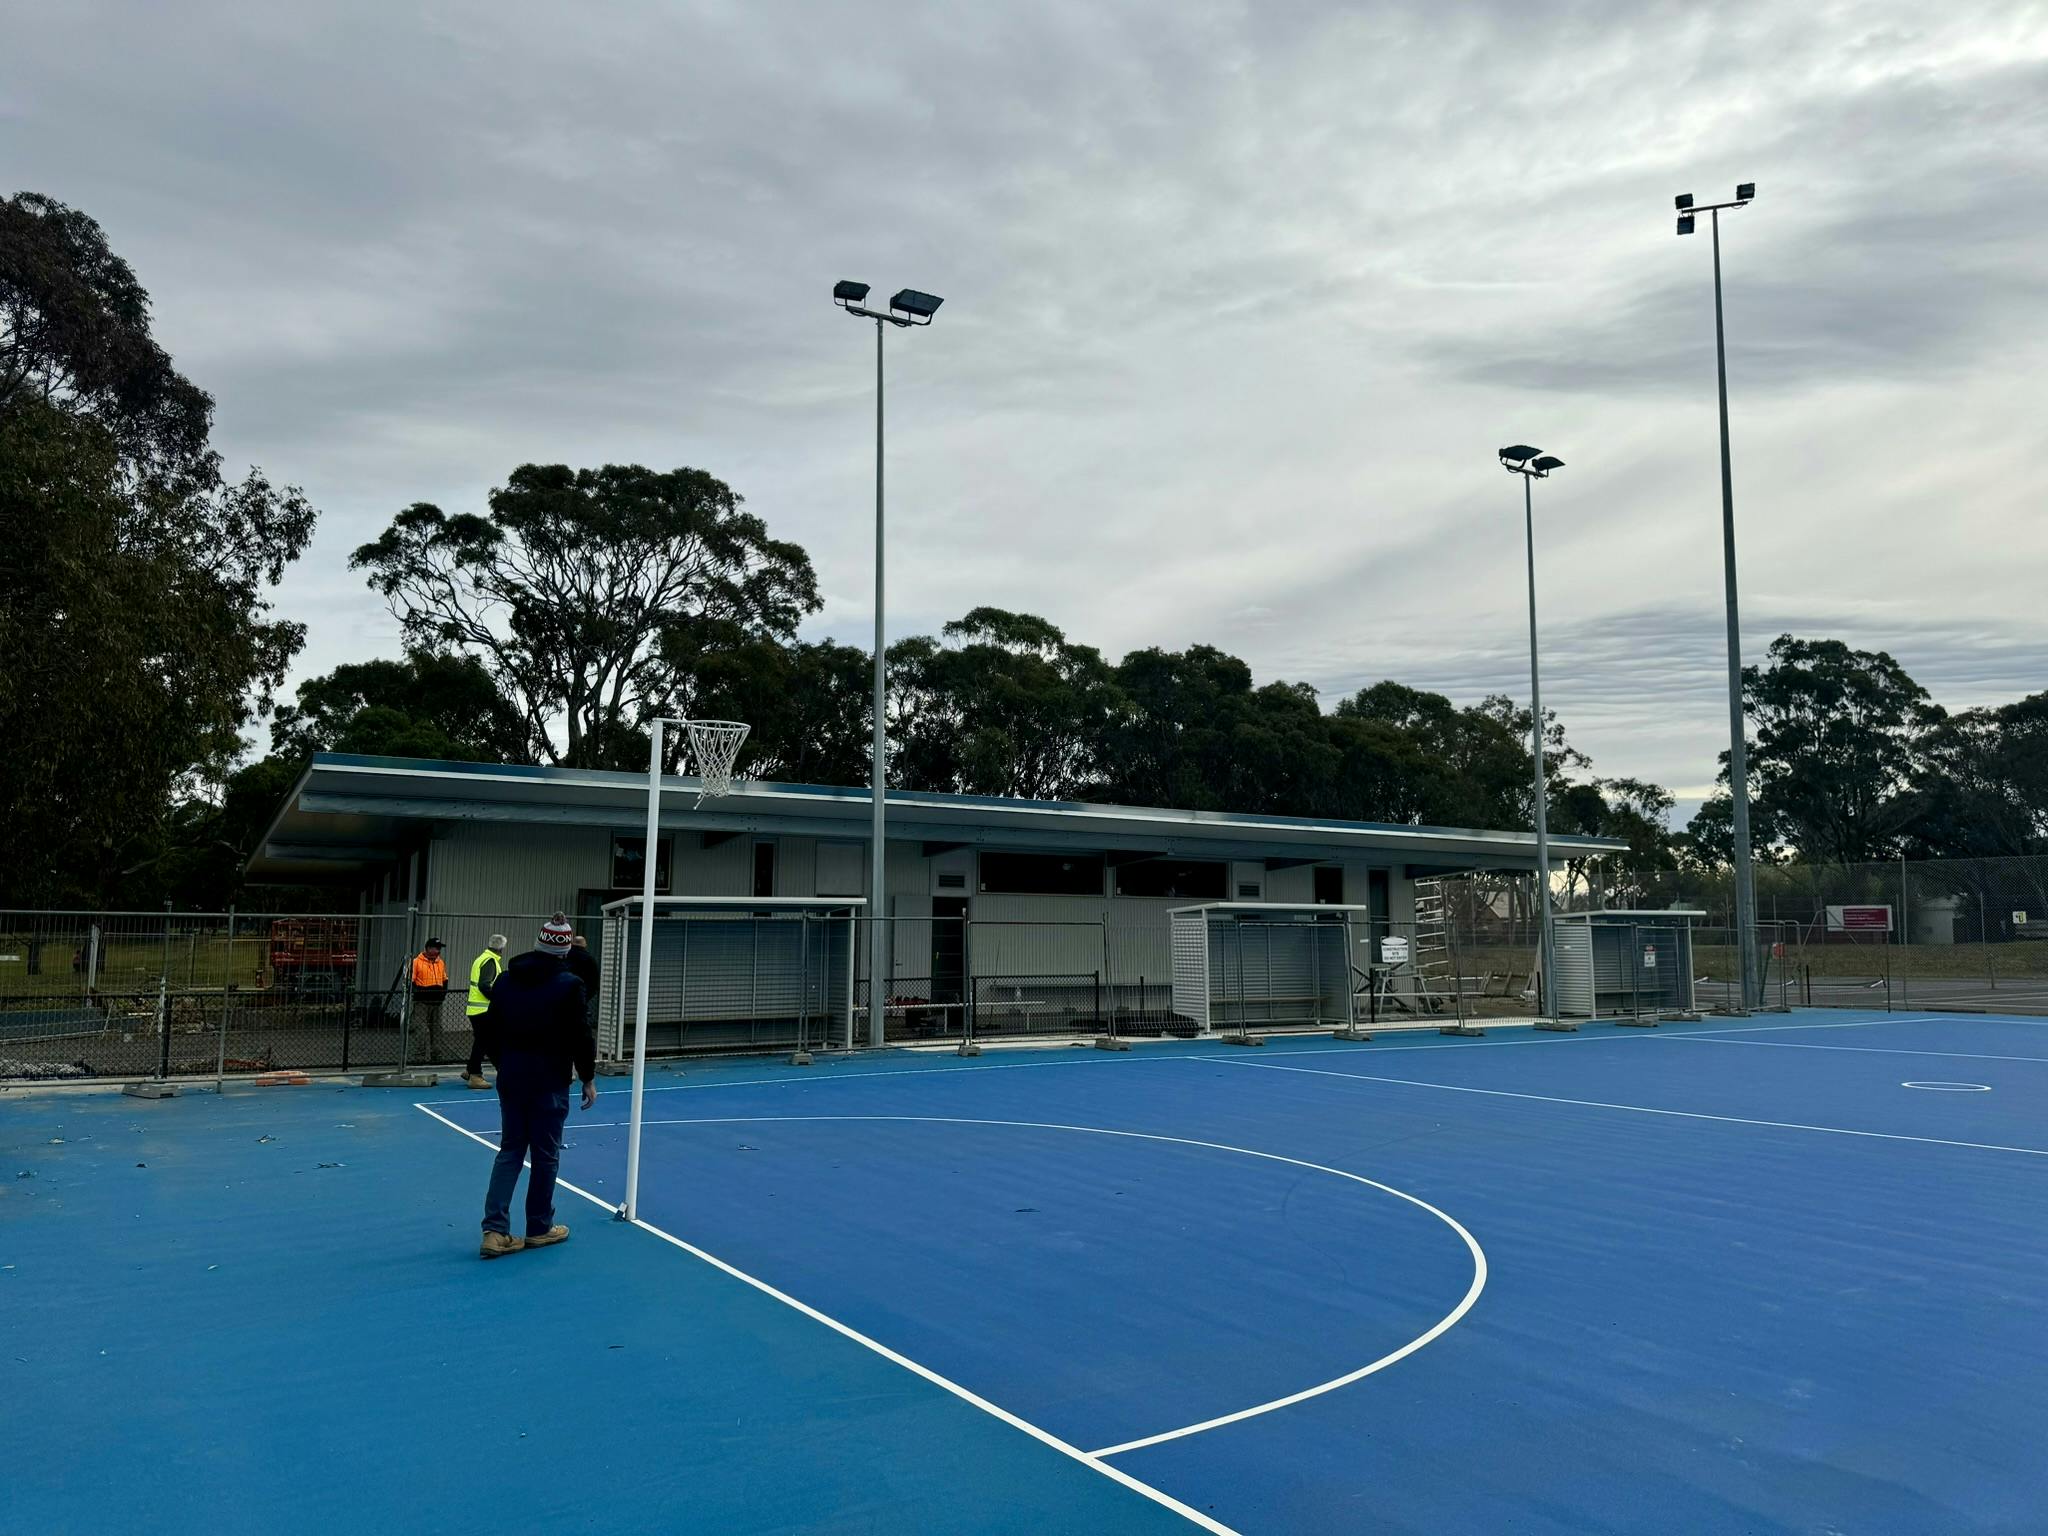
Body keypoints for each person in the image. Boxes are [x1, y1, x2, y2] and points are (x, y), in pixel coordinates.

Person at [476, 913, 596, 1259]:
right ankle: (539, 1227)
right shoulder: (570, 985)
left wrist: (504, 1064)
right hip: (550, 1078)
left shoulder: (506, 981)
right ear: (564, 949)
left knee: (511, 1150)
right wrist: (587, 1076)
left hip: (512, 1077)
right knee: (545, 1155)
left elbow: (490, 1030)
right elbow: (581, 1035)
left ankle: (495, 1230)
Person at [462, 934, 508, 1090]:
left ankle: (470, 1070)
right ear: (501, 948)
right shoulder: (490, 961)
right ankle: (476, 1075)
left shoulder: (481, 958)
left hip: (476, 1009)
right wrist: (497, 999)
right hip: (484, 1009)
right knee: (487, 1042)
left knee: (482, 1041)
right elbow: (484, 985)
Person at [408, 937, 450, 1061]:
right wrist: (420, 993)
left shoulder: (440, 962)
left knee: (436, 1029)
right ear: (428, 948)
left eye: (439, 949)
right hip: (422, 1002)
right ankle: (419, 1057)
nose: (438, 951)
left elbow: (444, 979)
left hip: (437, 1002)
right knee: (421, 1029)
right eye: (436, 948)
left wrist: (442, 995)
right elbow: (411, 981)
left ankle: (436, 1056)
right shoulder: (416, 962)